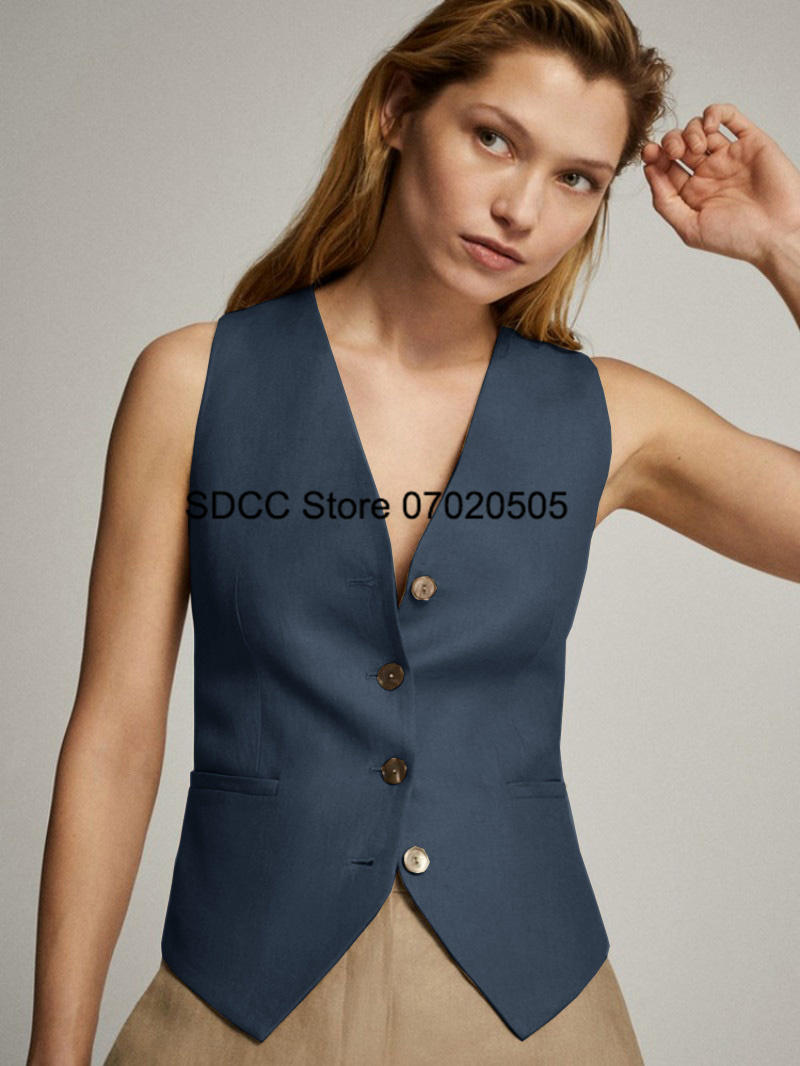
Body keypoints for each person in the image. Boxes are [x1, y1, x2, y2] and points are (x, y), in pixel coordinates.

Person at [26, 1, 800, 1064]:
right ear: (397, 110)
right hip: (233, 1006)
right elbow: (115, 738)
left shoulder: (609, 417)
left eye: (577, 179)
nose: (520, 209)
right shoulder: (194, 383)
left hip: (532, 1017)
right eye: (493, 138)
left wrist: (784, 247)